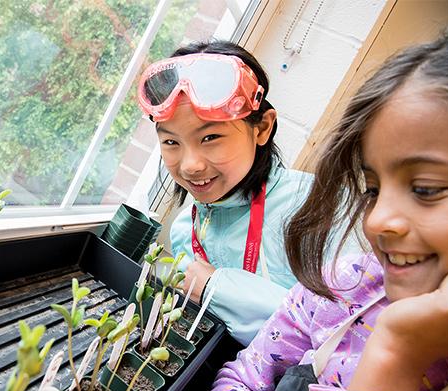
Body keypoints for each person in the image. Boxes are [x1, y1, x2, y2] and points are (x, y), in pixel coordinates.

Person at [207, 31, 448, 391]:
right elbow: (244, 380)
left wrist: (397, 351)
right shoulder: (343, 286)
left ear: (262, 128)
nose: (375, 221)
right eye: (372, 189)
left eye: (425, 189)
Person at [137, 41, 322, 346]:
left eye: (210, 137)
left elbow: (342, 332)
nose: (191, 165)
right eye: (171, 143)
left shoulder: (315, 206)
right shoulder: (186, 228)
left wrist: (216, 287)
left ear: (261, 128)